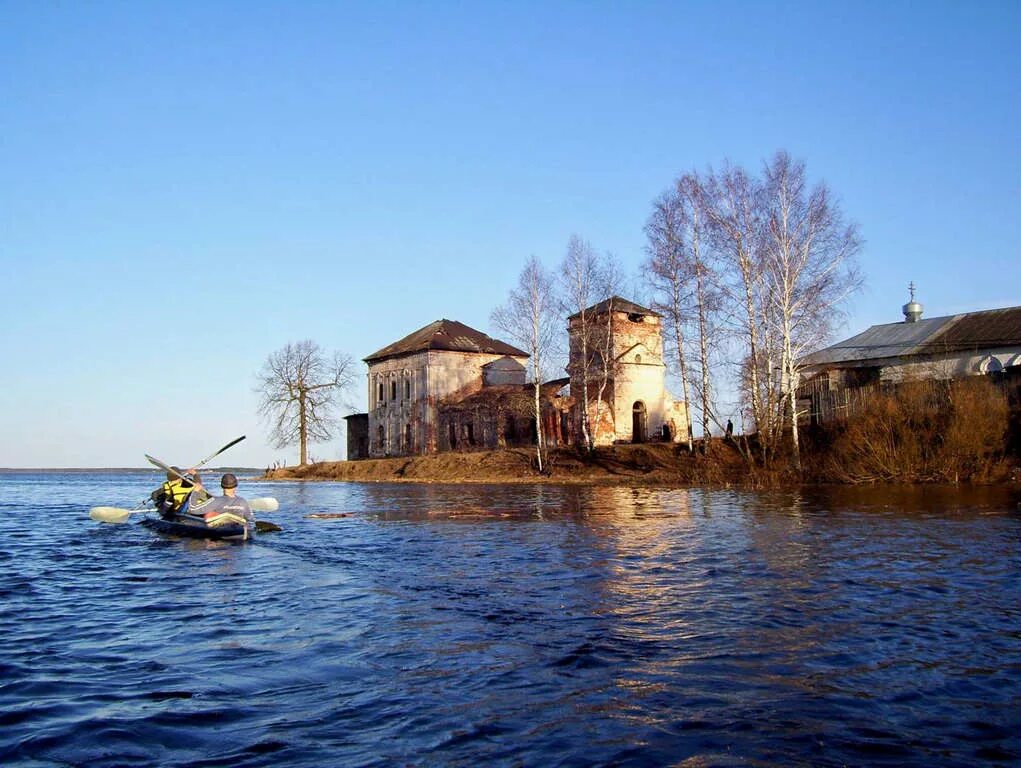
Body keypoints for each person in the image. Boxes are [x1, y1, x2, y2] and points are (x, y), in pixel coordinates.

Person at [189, 473, 255, 538]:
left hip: (221, 539)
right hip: (240, 537)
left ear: (221, 486)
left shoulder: (215, 501)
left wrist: (195, 491)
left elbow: (192, 509)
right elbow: (251, 521)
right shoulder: (243, 501)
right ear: (236, 486)